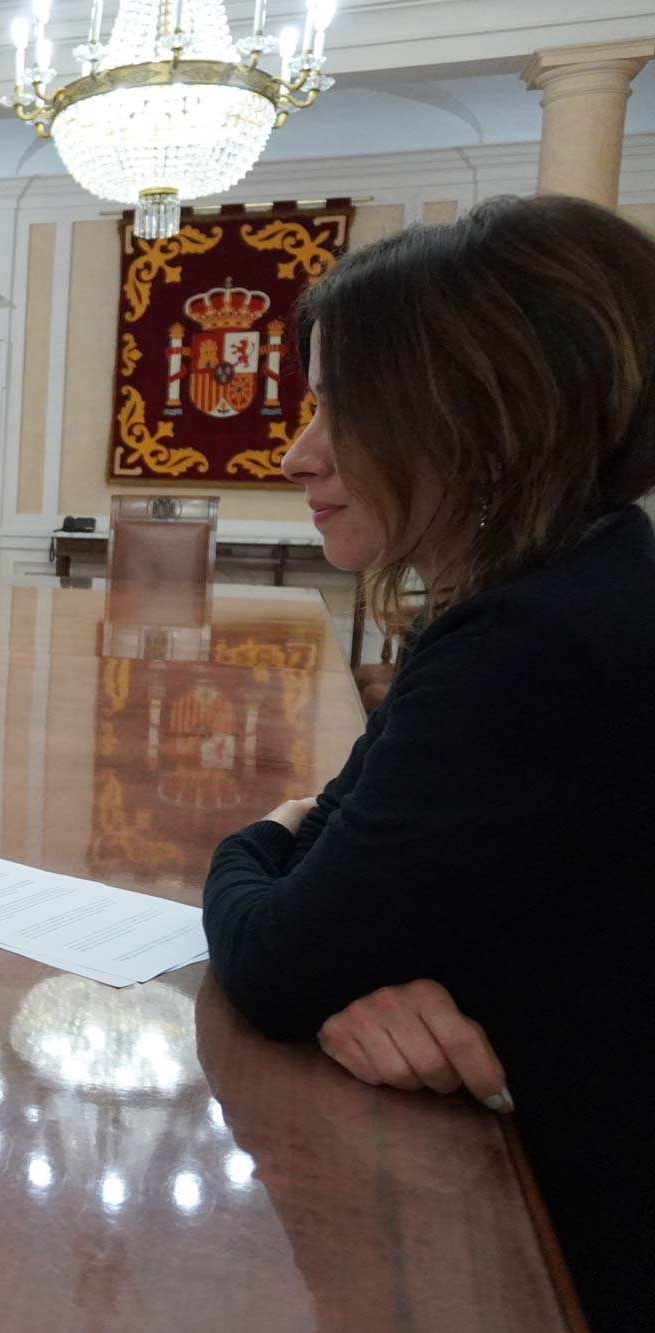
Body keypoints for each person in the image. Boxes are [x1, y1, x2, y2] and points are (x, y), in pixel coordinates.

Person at [200, 195, 655, 1330]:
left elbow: (274, 961)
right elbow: (358, 893)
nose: (297, 452)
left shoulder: (533, 643)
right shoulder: (586, 583)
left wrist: (254, 838)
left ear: (483, 415)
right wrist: (356, 933)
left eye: (340, 409)